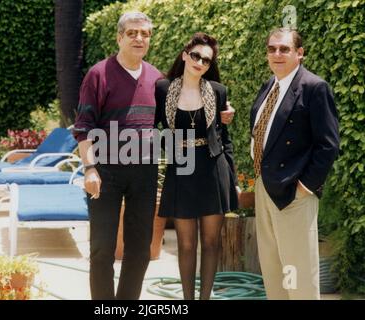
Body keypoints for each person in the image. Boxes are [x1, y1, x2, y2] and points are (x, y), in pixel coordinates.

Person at [74, 12, 235, 300]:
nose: (139, 38)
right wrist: (90, 169)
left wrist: (220, 116)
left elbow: (181, 114)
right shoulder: (98, 74)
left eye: (144, 34)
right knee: (102, 249)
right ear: (119, 37)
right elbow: (84, 127)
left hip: (145, 172)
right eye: (133, 33)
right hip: (106, 172)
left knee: (140, 250)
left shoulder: (157, 80)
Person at [250, 28, 339, 300]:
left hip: (294, 194)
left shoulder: (314, 88)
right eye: (272, 49)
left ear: (299, 54)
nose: (277, 54)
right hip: (264, 188)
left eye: (284, 49)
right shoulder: (270, 85)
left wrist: (306, 187)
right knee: (274, 270)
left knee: (297, 274)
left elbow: (328, 144)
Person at [155, 32, 239, 300]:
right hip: (180, 169)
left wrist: (233, 178)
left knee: (212, 243)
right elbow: (151, 126)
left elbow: (225, 140)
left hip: (213, 171)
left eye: (205, 59)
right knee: (186, 243)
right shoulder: (162, 88)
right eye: (195, 56)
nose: (200, 62)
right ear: (184, 55)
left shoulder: (217, 91)